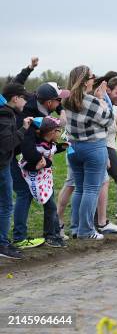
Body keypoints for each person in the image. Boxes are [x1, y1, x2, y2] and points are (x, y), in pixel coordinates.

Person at [11, 81, 70, 248]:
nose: (60, 103)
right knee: (24, 193)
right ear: (49, 102)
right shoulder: (26, 114)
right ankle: (19, 237)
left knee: (44, 196)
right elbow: (28, 150)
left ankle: (50, 233)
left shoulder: (40, 99)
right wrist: (44, 160)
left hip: (26, 156)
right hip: (12, 155)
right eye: (58, 101)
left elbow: (55, 104)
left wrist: (62, 110)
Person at [63, 65, 114, 240]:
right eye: (92, 77)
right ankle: (86, 231)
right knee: (92, 189)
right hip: (93, 148)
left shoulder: (67, 100)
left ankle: (76, 228)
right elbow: (108, 120)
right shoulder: (91, 101)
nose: (94, 79)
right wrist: (103, 98)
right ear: (85, 82)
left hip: (74, 149)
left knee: (79, 189)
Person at [18, 116, 67, 247]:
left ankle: (55, 232)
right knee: (50, 206)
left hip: (45, 179)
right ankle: (50, 235)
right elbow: (23, 163)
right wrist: (36, 167)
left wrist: (64, 146)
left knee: (51, 206)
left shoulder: (48, 143)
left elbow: (53, 149)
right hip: (35, 180)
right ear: (51, 132)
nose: (60, 133)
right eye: (59, 130)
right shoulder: (37, 148)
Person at [0, 83, 33, 259]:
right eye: (24, 98)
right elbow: (6, 145)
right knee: (6, 206)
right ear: (15, 98)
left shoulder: (7, 114)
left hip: (4, 165)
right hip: (2, 167)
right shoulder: (5, 116)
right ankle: (2, 244)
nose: (25, 102)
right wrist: (23, 130)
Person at [96, 76, 117, 232]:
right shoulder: (102, 103)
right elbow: (102, 128)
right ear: (108, 90)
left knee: (98, 184)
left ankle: (95, 221)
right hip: (104, 146)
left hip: (111, 145)